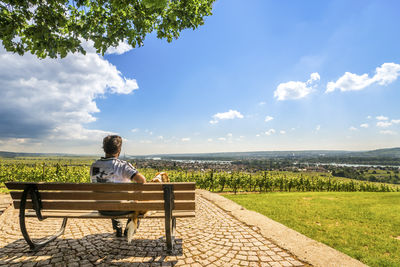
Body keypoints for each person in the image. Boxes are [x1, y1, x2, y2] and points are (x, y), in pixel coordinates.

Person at [90, 135, 146, 237]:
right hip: (122, 208)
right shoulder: (123, 165)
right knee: (136, 200)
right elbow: (142, 180)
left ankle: (117, 225)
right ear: (119, 150)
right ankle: (130, 228)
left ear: (104, 149)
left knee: (108, 196)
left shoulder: (94, 165)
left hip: (101, 208)